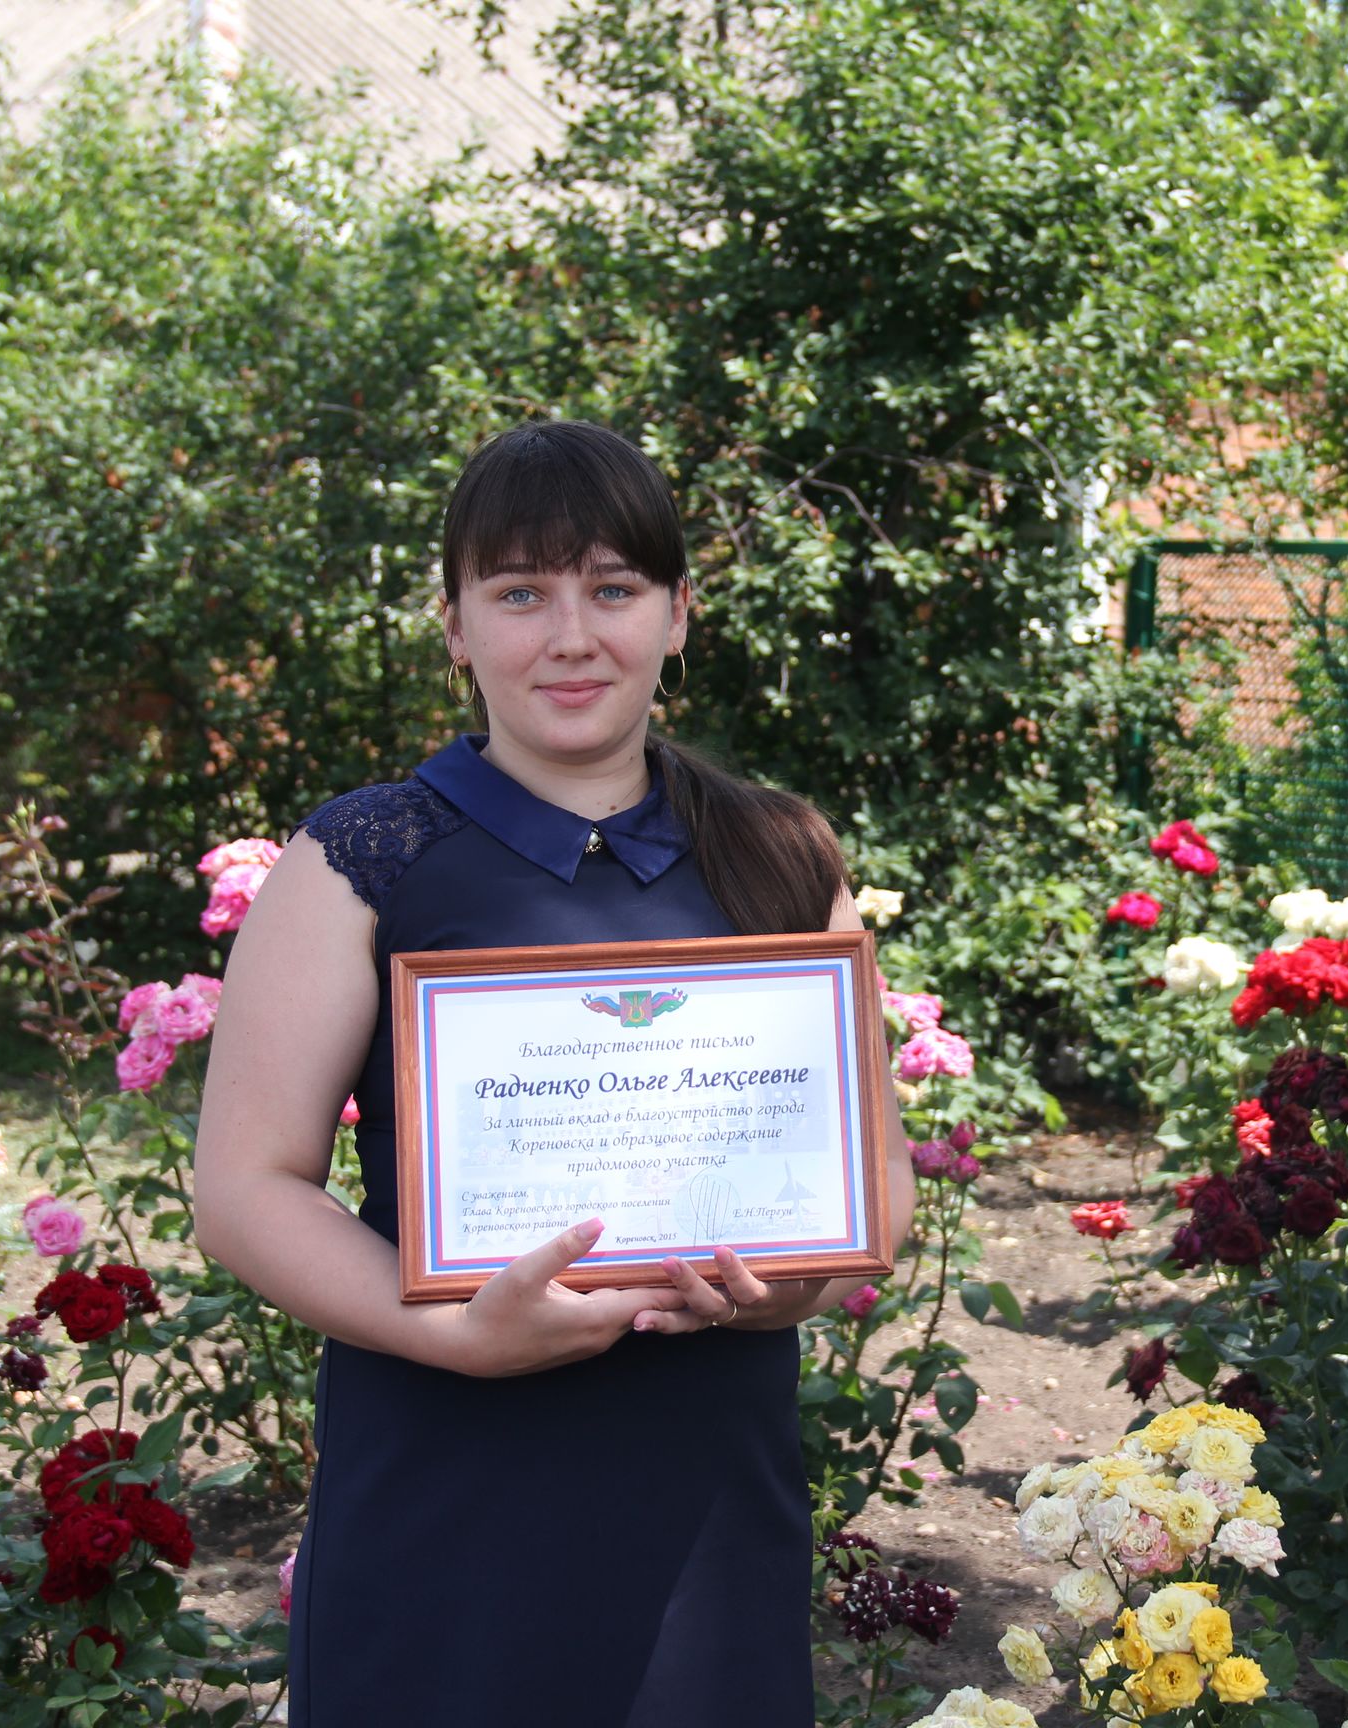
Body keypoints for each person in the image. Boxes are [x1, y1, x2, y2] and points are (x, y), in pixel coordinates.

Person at [192, 419, 916, 1725]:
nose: (571, 636)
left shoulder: (781, 857)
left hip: (702, 1508)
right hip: (443, 1492)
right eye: (521, 593)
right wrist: (455, 1337)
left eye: (613, 589)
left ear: (678, 614)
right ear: (456, 626)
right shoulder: (359, 860)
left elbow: (875, 1188)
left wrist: (780, 1291)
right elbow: (247, 1187)